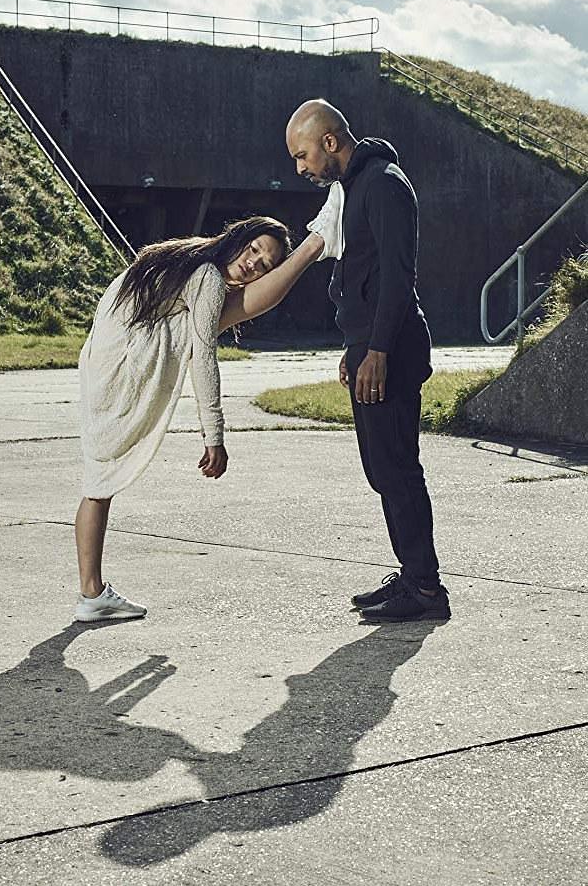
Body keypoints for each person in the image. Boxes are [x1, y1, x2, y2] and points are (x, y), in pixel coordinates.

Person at [73, 214, 337, 623]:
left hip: (101, 365)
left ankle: (92, 591)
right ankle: (317, 242)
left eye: (264, 264)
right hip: (119, 372)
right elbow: (203, 359)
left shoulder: (186, 255)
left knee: (98, 484)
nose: (253, 263)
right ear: (238, 239)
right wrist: (214, 435)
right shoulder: (208, 277)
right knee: (99, 486)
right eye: (253, 250)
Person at [286, 99, 451, 623]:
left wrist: (377, 350)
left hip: (393, 350)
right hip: (371, 346)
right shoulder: (354, 187)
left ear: (329, 142)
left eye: (302, 155)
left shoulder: (383, 184)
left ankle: (426, 589)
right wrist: (355, 347)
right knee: (382, 470)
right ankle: (411, 574)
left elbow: (399, 278)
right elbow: (364, 274)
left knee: (397, 469)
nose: (301, 167)